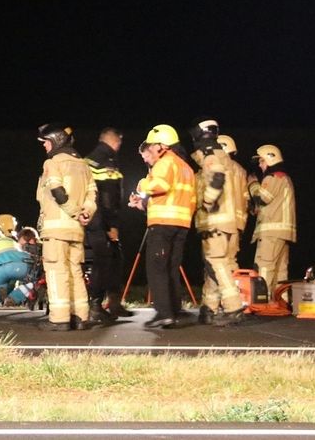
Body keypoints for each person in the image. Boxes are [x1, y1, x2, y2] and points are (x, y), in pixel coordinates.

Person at [129, 124, 196, 329]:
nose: (150, 150)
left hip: (163, 225)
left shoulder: (165, 162)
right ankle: (175, 310)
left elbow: (160, 185)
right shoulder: (185, 167)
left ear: (162, 145)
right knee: (171, 268)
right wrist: (143, 205)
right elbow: (180, 197)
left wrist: (142, 184)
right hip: (181, 224)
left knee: (156, 268)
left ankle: (164, 313)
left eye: (152, 146)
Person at [35, 123, 98, 331]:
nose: (44, 146)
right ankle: (80, 317)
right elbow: (92, 195)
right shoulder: (84, 165)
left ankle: (60, 318)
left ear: (55, 141)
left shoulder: (53, 163)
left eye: (46, 142)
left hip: (56, 229)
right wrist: (85, 213)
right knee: (75, 272)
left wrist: (73, 211)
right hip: (76, 230)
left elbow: (57, 191)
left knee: (56, 272)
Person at [187, 119, 245, 326]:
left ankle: (233, 305)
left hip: (216, 222)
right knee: (219, 265)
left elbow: (217, 177)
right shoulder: (234, 164)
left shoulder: (210, 156)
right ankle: (208, 308)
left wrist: (207, 201)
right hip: (233, 223)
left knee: (216, 263)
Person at [83, 127, 132, 322]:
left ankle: (113, 303)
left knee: (112, 259)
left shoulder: (88, 160)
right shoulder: (107, 160)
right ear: (114, 142)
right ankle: (97, 305)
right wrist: (112, 225)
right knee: (104, 262)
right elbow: (108, 197)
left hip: (90, 218)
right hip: (100, 220)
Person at [248, 144, 296, 293]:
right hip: (282, 232)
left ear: (269, 159)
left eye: (261, 161)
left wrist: (252, 184)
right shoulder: (284, 178)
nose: (260, 165)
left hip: (271, 232)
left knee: (264, 268)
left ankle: (262, 303)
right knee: (280, 271)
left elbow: (263, 197)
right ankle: (280, 303)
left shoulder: (273, 176)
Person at [216, 134, 251, 275]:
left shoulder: (215, 167)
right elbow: (246, 199)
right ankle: (235, 294)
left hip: (219, 222)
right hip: (237, 224)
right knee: (231, 261)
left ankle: (212, 297)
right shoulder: (241, 170)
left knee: (215, 262)